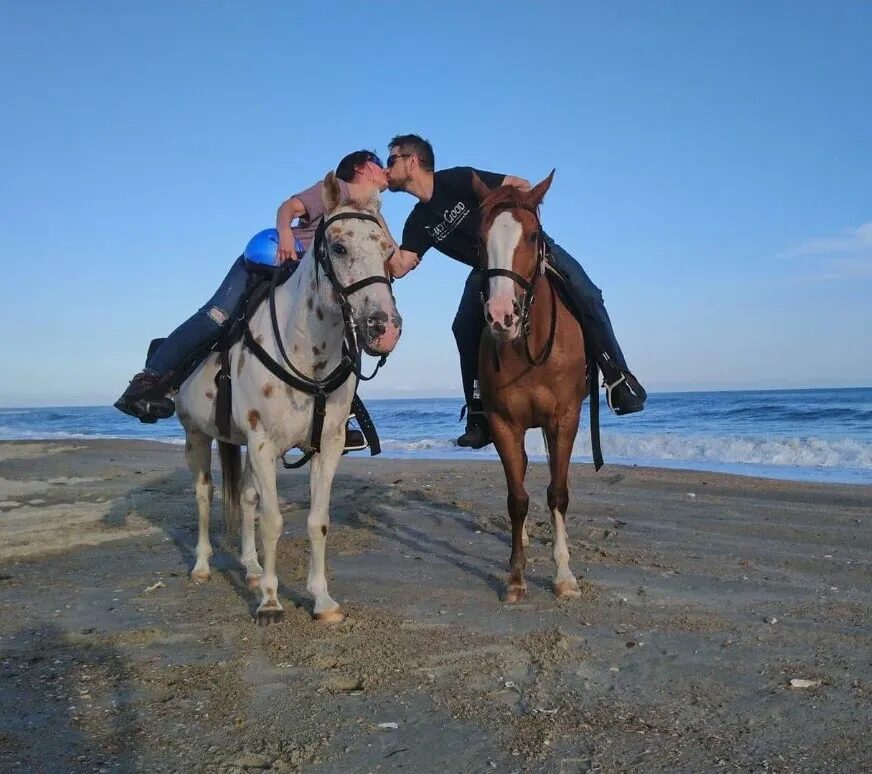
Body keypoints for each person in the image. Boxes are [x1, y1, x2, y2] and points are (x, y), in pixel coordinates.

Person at [114, 150, 391, 450]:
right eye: (379, 164)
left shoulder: (371, 214)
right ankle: (149, 379)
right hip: (270, 261)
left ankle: (338, 419)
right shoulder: (339, 189)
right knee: (217, 316)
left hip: (307, 284)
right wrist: (285, 233)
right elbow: (289, 207)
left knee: (340, 342)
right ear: (362, 168)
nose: (385, 169)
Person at [384, 134, 646, 449]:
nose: (387, 169)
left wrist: (514, 226)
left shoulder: (457, 180)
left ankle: (618, 377)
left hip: (528, 250)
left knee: (588, 294)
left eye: (391, 160)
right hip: (487, 269)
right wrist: (375, 219)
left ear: (412, 161)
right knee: (462, 327)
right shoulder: (418, 222)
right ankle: (479, 413)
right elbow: (400, 266)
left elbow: (520, 184)